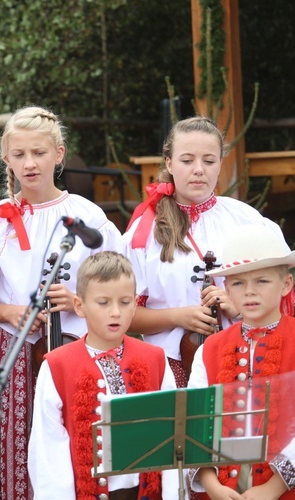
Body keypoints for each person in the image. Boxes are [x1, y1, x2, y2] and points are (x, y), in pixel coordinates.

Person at [0, 105, 123, 499]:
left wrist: (76, 301)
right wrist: (10, 312)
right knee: (13, 454)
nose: (30, 163)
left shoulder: (87, 217)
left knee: (74, 448)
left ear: (59, 153)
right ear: (7, 160)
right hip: (12, 352)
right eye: (19, 155)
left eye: (39, 153)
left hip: (76, 349)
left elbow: (121, 292)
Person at [123, 116, 287, 388]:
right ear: (169, 164)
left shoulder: (246, 220)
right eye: (187, 160)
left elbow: (280, 297)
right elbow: (126, 316)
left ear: (220, 164)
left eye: (209, 161)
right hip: (168, 368)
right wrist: (177, 316)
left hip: (245, 360)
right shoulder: (143, 233)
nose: (198, 170)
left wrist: (238, 307)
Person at [29, 251, 179, 499]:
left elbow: (172, 434)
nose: (115, 312)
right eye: (103, 302)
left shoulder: (156, 358)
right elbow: (49, 449)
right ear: (79, 306)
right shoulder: (57, 365)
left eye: (124, 302)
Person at [187, 224, 295, 499]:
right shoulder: (210, 349)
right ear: (226, 289)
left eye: (261, 281)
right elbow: (194, 422)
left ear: (286, 284)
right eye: (238, 283)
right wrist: (213, 486)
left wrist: (273, 489)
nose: (249, 291)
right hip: (222, 489)